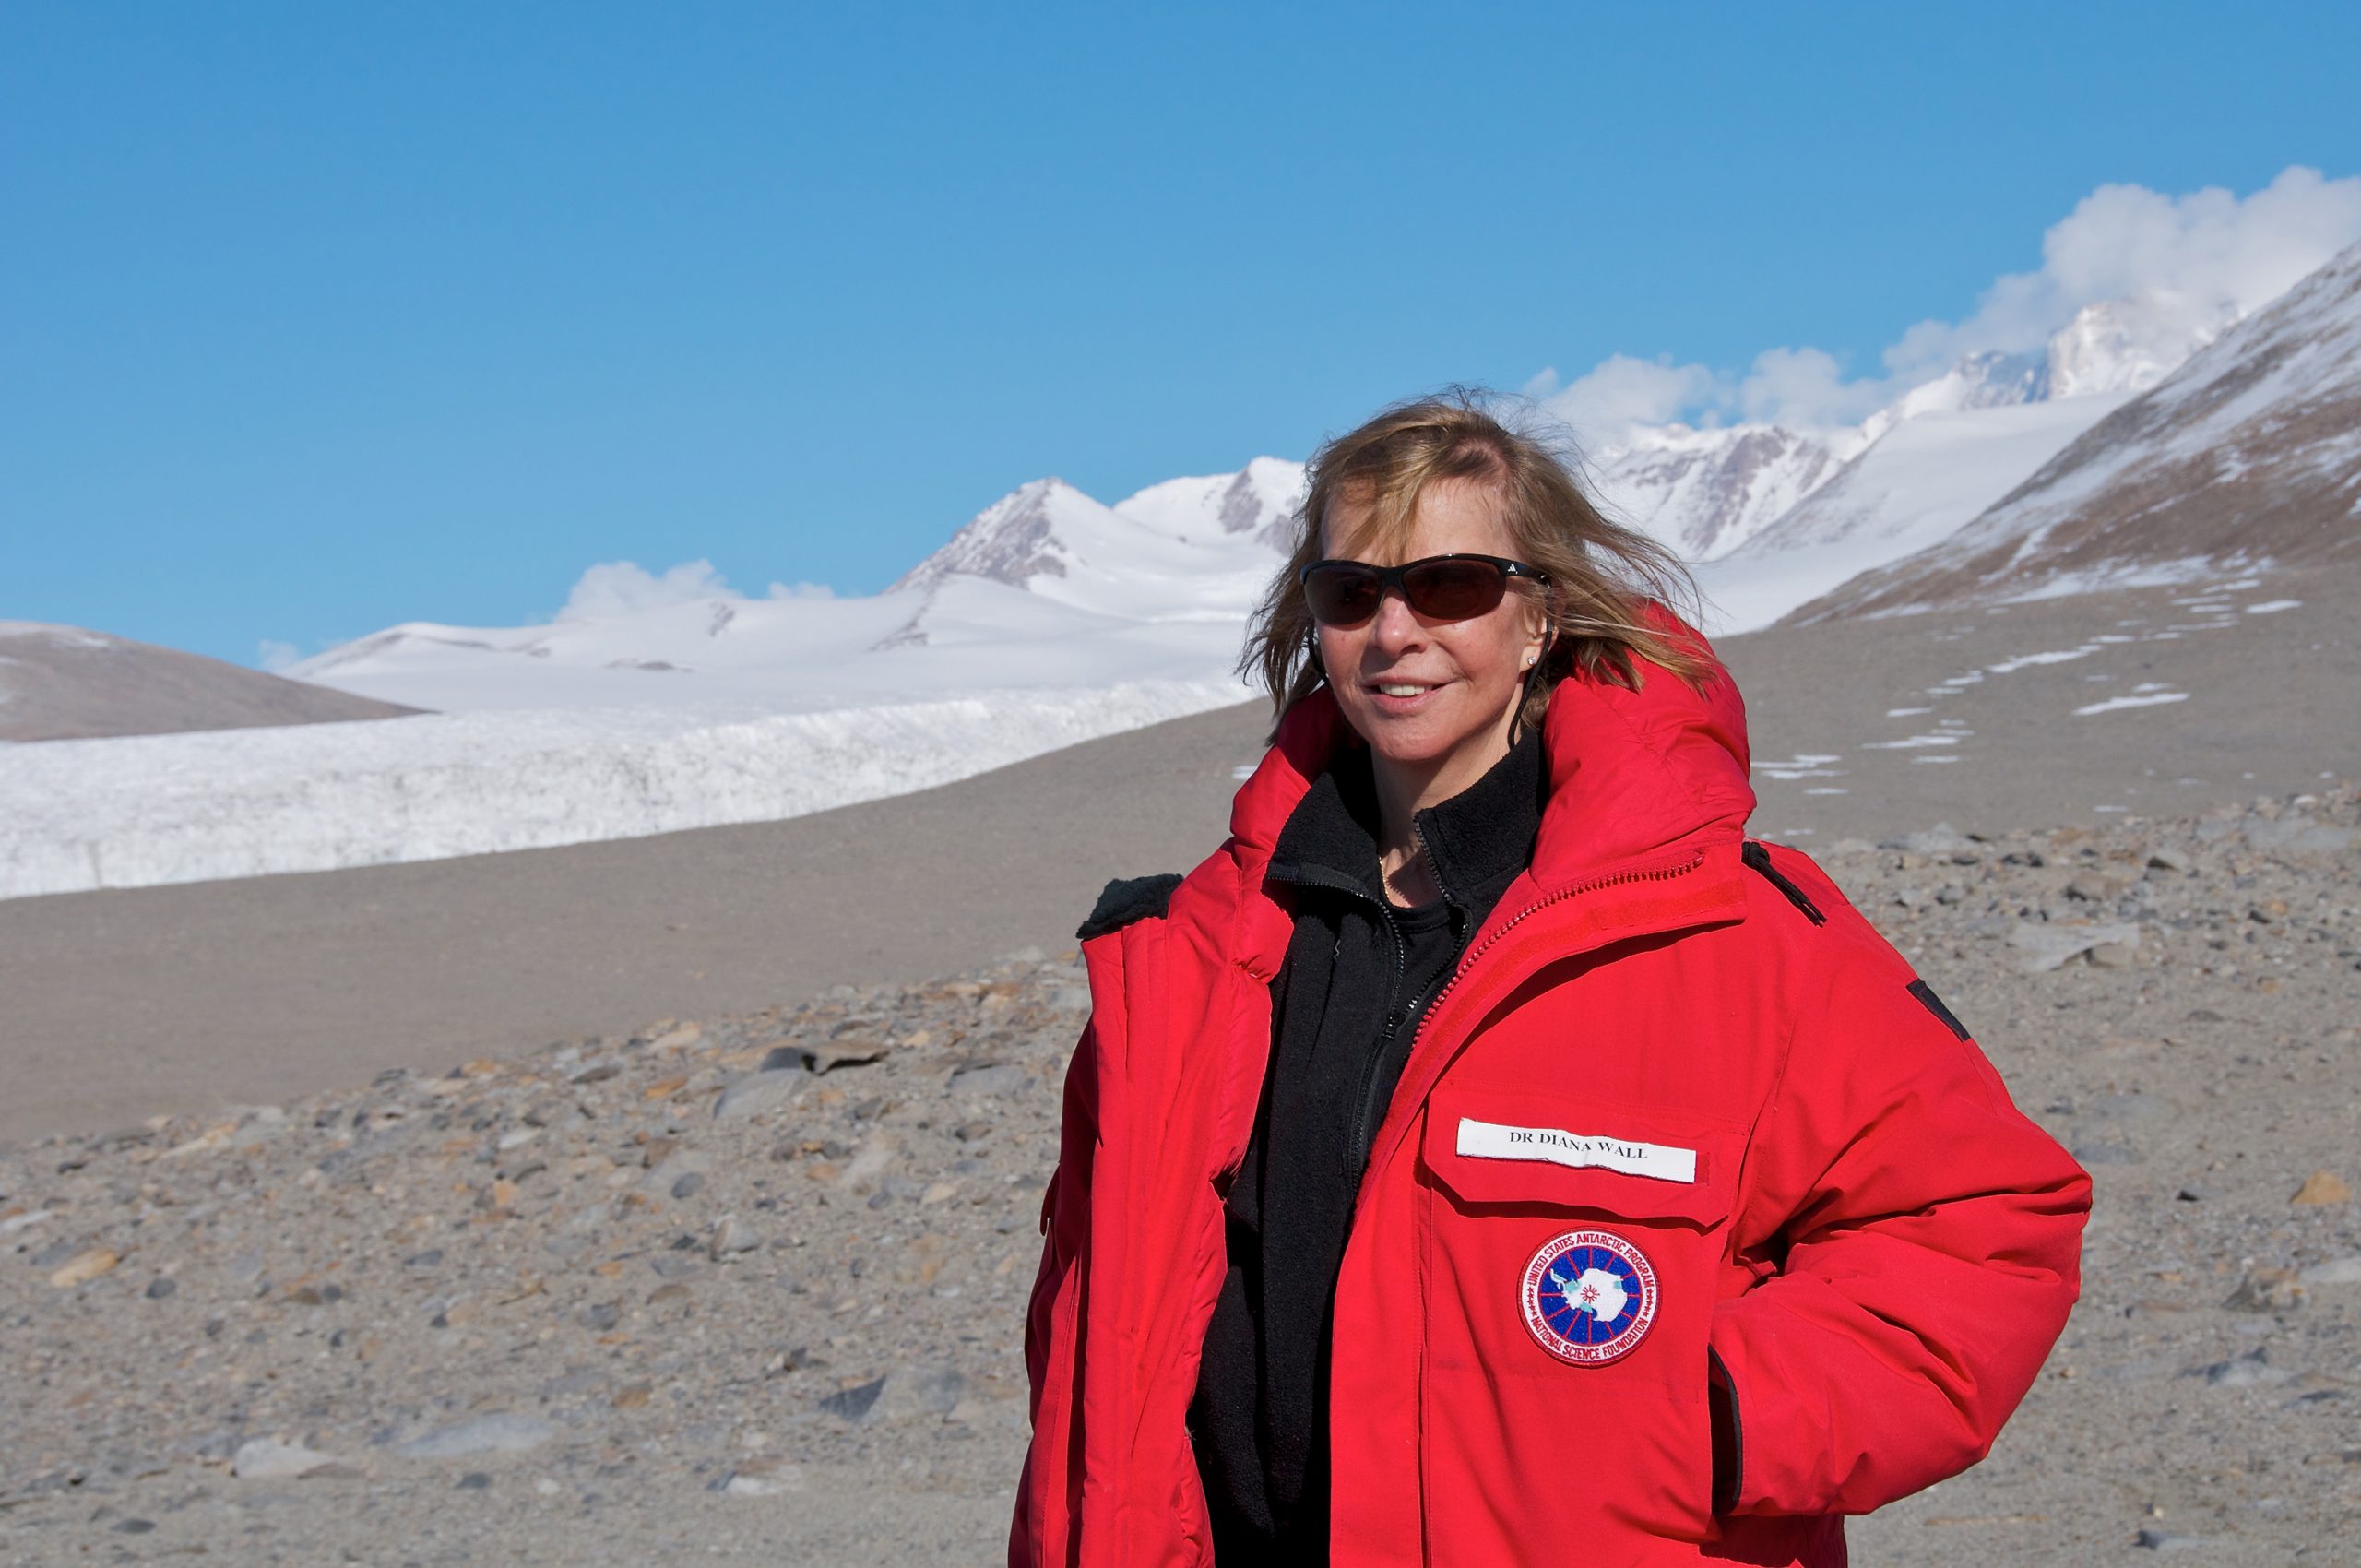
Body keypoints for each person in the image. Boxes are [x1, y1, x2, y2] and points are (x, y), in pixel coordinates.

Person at [1010, 391, 2091, 1566]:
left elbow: (1981, 1225)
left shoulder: (1727, 933)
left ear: (1540, 619)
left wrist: (1716, 1417)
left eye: (1453, 584)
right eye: (1352, 590)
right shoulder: (1198, 955)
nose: (1396, 630)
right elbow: (1096, 1326)